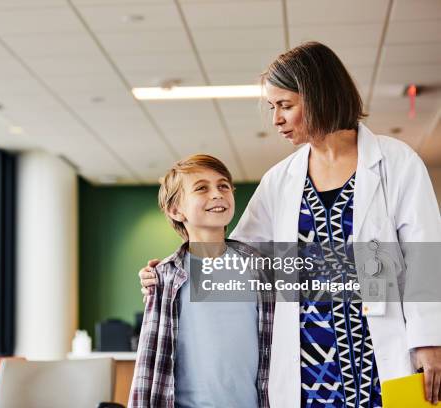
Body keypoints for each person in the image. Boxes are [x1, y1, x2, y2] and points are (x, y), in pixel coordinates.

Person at [139, 42, 441, 407]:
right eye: (273, 108)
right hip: (308, 364)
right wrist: (172, 273)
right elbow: (234, 259)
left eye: (285, 106)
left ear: (318, 97)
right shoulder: (280, 180)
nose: (276, 119)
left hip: (383, 350)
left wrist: (427, 340)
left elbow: (425, 257)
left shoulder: (396, 162)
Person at [128, 154, 274, 408]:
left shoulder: (261, 267)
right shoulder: (166, 277)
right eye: (201, 188)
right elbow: (149, 362)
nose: (217, 194)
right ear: (176, 210)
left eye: (223, 186)